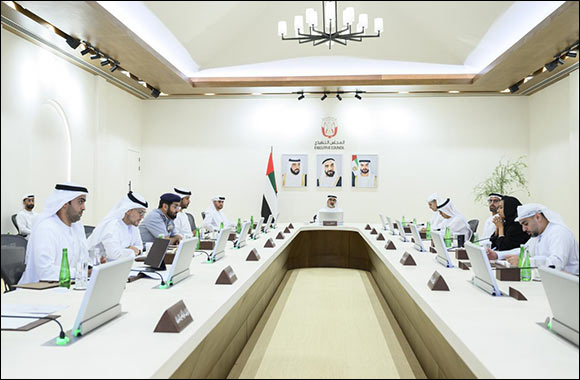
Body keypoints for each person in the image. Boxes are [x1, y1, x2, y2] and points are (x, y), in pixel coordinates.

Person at [19, 183, 89, 284]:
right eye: (80, 202)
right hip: (38, 292)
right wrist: (81, 272)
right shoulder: (46, 228)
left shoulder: (76, 228)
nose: (83, 207)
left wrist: (92, 268)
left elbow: (81, 260)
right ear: (65, 203)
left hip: (66, 286)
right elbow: (45, 272)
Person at [487, 203, 578, 274]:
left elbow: (556, 264)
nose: (523, 229)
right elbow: (523, 251)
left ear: (538, 217)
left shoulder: (558, 232)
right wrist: (497, 255)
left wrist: (523, 262)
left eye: (526, 224)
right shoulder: (539, 234)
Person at [87, 191, 148, 261]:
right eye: (140, 213)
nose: (142, 217)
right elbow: (114, 255)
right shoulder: (112, 226)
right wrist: (130, 250)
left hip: (121, 265)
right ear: (128, 211)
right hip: (96, 266)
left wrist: (133, 251)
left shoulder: (134, 226)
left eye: (143, 213)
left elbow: (140, 247)